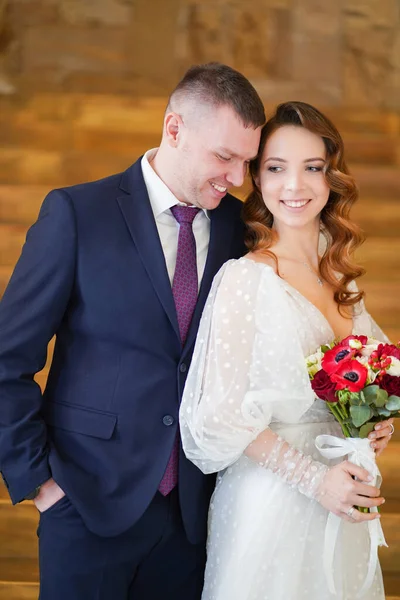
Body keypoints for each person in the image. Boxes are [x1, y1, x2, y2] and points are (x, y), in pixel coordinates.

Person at [0, 63, 265, 600]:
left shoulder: (242, 230)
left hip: (196, 520)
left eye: (247, 161)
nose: (237, 178)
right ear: (174, 129)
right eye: (224, 156)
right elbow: (7, 358)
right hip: (86, 503)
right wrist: (39, 482)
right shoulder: (77, 213)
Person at [180, 101, 394, 600]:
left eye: (312, 168)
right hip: (273, 501)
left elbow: (374, 371)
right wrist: (315, 480)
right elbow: (219, 416)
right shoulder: (244, 278)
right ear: (257, 178)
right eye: (276, 169)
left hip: (344, 498)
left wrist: (372, 421)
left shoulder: (338, 271)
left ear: (331, 177)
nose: (294, 186)